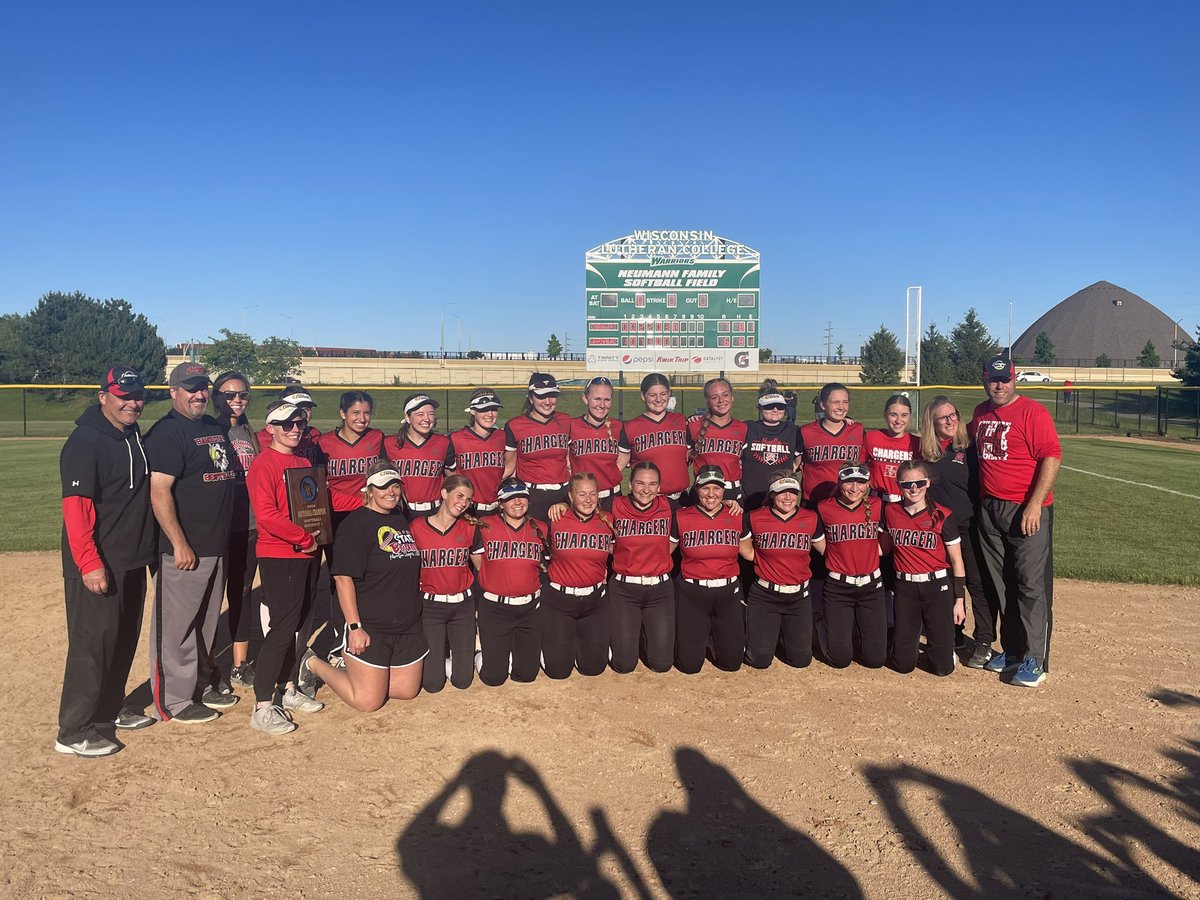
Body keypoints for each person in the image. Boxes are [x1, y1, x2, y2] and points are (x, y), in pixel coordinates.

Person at [55, 366, 157, 757]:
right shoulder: (85, 442)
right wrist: (88, 562)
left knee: (123, 638)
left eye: (137, 396)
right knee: (92, 643)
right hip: (100, 560)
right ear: (103, 397)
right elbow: (76, 509)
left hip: (131, 557)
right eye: (122, 396)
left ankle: (107, 712)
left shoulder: (132, 435)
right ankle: (73, 729)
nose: (132, 403)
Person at [144, 361, 237, 724]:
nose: (198, 394)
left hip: (216, 543)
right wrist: (179, 542)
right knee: (177, 627)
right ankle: (173, 700)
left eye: (202, 388)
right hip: (184, 549)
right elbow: (160, 491)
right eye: (190, 388)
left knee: (206, 623)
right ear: (174, 392)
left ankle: (197, 685)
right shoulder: (167, 433)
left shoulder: (213, 426)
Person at [303, 461, 426, 711]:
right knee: (368, 701)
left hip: (406, 623)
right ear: (369, 490)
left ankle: (362, 671)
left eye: (395, 486)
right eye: (383, 487)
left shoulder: (401, 517)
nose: (391, 492)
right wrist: (355, 627)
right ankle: (312, 663)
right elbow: (342, 578)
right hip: (370, 625)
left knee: (406, 690)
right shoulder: (355, 525)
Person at [971, 353, 1062, 687]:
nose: (999, 385)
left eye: (1005, 379)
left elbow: (1052, 455)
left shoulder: (1032, 411)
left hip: (1025, 509)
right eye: (993, 379)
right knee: (1003, 582)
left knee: (1030, 585)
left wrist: (1035, 504)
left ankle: (1034, 657)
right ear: (984, 379)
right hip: (990, 508)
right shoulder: (981, 412)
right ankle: (1012, 650)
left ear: (1014, 379)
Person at [245, 400, 326, 733]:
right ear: (271, 429)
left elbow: (317, 504)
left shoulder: (301, 461)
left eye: (299, 424)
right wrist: (304, 538)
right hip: (282, 555)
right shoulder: (264, 464)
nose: (295, 429)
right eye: (287, 424)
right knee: (282, 628)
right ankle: (263, 704)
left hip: (306, 553)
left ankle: (288, 687)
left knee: (298, 625)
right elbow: (266, 515)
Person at [311, 390, 385, 667]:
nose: (361, 418)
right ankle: (339, 638)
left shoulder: (377, 439)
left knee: (371, 575)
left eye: (366, 413)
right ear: (342, 414)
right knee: (339, 579)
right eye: (355, 413)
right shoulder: (325, 442)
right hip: (337, 518)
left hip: (368, 516)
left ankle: (368, 631)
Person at [921, 395, 996, 666]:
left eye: (953, 414)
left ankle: (985, 639)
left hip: (969, 526)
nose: (951, 420)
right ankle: (954, 633)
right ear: (932, 422)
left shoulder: (968, 447)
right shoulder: (925, 452)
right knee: (945, 581)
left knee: (976, 583)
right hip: (938, 529)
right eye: (943, 417)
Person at [882, 460, 967, 676]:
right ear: (898, 485)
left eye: (919, 483)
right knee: (902, 665)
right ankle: (907, 647)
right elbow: (882, 549)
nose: (913, 489)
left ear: (928, 483)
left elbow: (957, 561)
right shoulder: (891, 512)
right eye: (907, 484)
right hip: (905, 588)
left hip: (937, 587)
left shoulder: (942, 514)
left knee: (942, 668)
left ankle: (945, 651)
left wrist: (959, 601)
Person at [740, 471, 824, 669]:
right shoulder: (754, 517)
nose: (788, 497)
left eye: (793, 492)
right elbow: (745, 551)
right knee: (759, 660)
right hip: (765, 595)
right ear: (771, 494)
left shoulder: (810, 518)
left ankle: (783, 632)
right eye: (781, 492)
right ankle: (763, 635)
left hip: (798, 596)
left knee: (801, 660)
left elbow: (826, 549)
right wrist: (763, 560)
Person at [472, 478, 547, 686]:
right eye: (510, 498)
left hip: (530, 608)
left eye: (522, 497)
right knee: (494, 678)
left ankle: (510, 653)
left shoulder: (540, 528)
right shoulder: (485, 526)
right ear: (501, 503)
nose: (517, 502)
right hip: (496, 608)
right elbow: (478, 562)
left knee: (527, 675)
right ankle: (481, 656)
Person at [411, 474, 480, 693]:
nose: (463, 503)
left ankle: (469, 656)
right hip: (431, 607)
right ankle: (439, 662)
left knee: (463, 681)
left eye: (468, 500)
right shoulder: (417, 527)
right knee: (432, 684)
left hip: (462, 607)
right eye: (459, 496)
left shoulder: (469, 527)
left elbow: (483, 568)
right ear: (444, 494)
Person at [607, 461, 678, 674]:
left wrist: (730, 503)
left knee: (662, 665)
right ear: (630, 483)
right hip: (624, 590)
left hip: (660, 590)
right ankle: (622, 640)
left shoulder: (669, 507)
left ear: (659, 487)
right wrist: (562, 504)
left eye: (652, 484)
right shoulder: (614, 505)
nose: (646, 490)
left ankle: (646, 634)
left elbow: (705, 507)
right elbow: (584, 508)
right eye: (640, 483)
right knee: (624, 665)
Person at [542, 473, 614, 679]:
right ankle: (556, 648)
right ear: (570, 497)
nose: (588, 500)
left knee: (593, 669)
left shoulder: (607, 520)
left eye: (593, 494)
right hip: (560, 601)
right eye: (582, 494)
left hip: (594, 601)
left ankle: (587, 646)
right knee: (557, 672)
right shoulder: (555, 518)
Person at [212, 371, 259, 688]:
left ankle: (239, 664)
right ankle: (206, 665)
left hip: (250, 525)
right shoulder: (210, 430)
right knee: (211, 598)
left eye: (242, 395)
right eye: (230, 395)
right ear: (217, 397)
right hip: (218, 527)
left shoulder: (248, 432)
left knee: (241, 594)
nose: (237, 400)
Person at [674, 465, 745, 673]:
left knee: (732, 664)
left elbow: (749, 552)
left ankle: (716, 637)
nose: (711, 494)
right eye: (705, 488)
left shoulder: (737, 515)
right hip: (693, 593)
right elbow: (665, 550)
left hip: (727, 591)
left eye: (717, 488)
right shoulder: (681, 517)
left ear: (724, 490)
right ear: (697, 489)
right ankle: (700, 637)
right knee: (689, 666)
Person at [817, 462, 886, 669]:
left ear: (868, 484)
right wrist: (840, 557)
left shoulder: (877, 506)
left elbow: (886, 545)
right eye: (848, 482)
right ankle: (822, 626)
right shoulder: (824, 507)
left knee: (875, 660)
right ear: (839, 483)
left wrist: (869, 554)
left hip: (871, 586)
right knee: (840, 660)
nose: (855, 488)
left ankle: (854, 632)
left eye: (861, 483)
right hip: (838, 586)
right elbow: (821, 545)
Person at [504, 373, 571, 522]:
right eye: (541, 396)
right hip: (532, 496)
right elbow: (509, 467)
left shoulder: (565, 420)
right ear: (531, 397)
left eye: (552, 395)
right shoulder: (515, 426)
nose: (548, 401)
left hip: (563, 495)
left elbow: (568, 461)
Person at [618, 373, 691, 504]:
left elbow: (690, 456)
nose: (658, 399)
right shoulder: (630, 427)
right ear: (643, 396)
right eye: (652, 395)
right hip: (648, 501)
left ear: (669, 394)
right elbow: (618, 466)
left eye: (663, 394)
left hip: (681, 500)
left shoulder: (681, 421)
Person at [383, 393, 454, 516]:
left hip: (435, 512)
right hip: (401, 512)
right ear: (407, 418)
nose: (427, 419)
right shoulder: (389, 443)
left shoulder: (443, 442)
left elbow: (452, 477)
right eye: (420, 414)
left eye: (431, 414)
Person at [797, 383, 864, 506]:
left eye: (845, 402)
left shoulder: (858, 430)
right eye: (835, 402)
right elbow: (794, 465)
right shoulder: (806, 431)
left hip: (848, 502)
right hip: (813, 502)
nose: (841, 407)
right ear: (822, 405)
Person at [567, 376, 628, 511]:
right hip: (582, 500)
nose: (602, 405)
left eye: (607, 400)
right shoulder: (571, 426)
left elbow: (624, 456)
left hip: (612, 498)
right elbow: (565, 460)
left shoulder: (619, 427)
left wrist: (611, 473)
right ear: (585, 398)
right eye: (597, 399)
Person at [687, 378, 748, 503]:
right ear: (707, 402)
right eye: (714, 397)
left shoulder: (743, 428)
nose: (721, 400)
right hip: (704, 491)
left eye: (725, 395)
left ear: (732, 397)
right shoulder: (694, 425)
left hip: (732, 492)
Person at [742, 387, 801, 511]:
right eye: (769, 406)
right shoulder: (748, 427)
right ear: (760, 408)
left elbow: (798, 459)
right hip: (750, 495)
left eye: (780, 407)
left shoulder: (793, 430)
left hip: (781, 496)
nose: (775, 410)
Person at [451, 388, 507, 514]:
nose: (490, 414)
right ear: (472, 411)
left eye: (494, 409)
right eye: (483, 409)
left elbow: (510, 465)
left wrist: (496, 480)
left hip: (496, 508)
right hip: (468, 508)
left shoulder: (502, 436)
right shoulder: (456, 438)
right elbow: (449, 473)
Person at [862, 394, 922, 504]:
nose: (898, 420)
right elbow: (859, 466)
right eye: (893, 415)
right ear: (885, 415)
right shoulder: (871, 437)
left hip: (905, 501)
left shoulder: (917, 443)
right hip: (876, 500)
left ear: (910, 416)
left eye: (904, 415)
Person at [257, 384, 324, 466]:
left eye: (307, 409)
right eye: (296, 408)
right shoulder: (262, 438)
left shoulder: (314, 434)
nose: (304, 413)